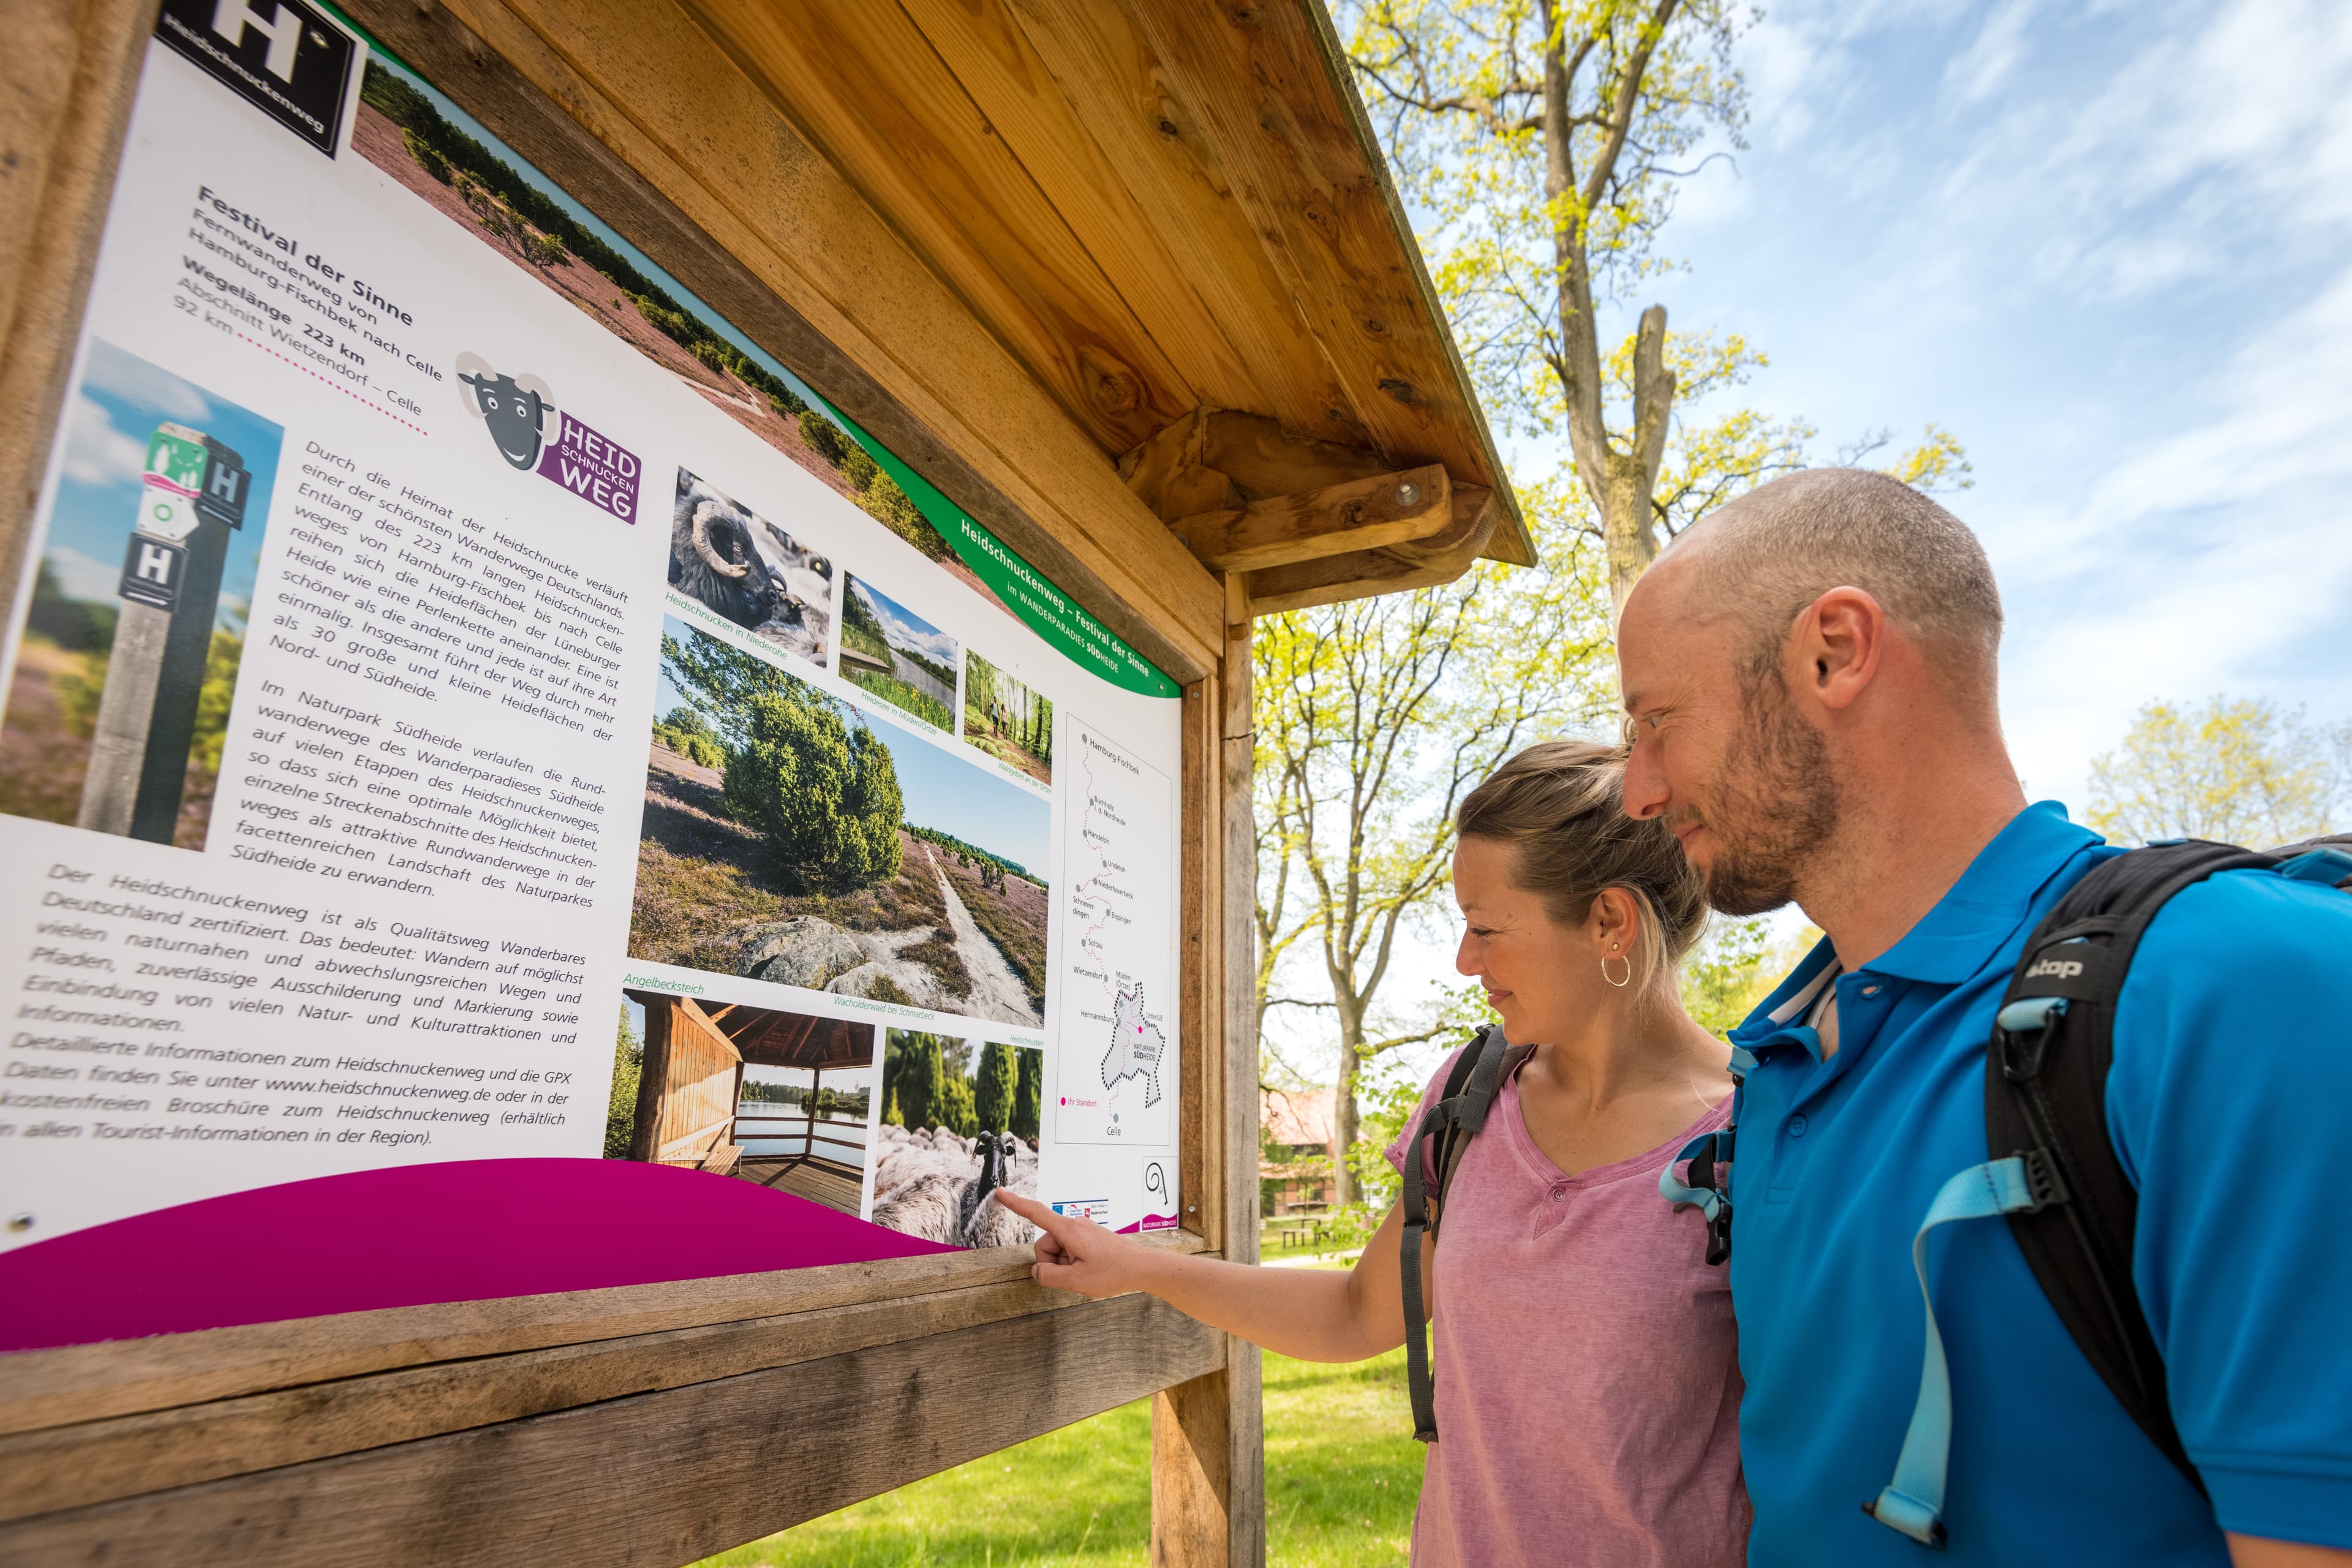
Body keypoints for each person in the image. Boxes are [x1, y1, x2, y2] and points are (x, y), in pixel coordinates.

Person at [1614, 467, 2352, 1567]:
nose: (1637, 788)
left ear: (1835, 652)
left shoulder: (2237, 986)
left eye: (1658, 719)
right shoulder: (1776, 1063)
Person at [999, 742, 1750, 1566]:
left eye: (1487, 930)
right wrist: (1136, 1266)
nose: (1467, 963)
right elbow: (1360, 1313)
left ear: (1610, 921)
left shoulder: (1751, 1141)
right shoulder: (1469, 1100)